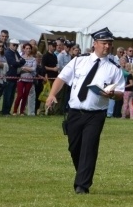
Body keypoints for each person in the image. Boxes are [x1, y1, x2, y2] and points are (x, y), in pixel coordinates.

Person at [45, 27, 126, 194]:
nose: (107, 46)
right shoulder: (78, 61)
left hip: (96, 114)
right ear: (94, 44)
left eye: (110, 44)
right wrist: (52, 95)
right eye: (104, 43)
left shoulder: (114, 68)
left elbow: (121, 93)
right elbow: (61, 78)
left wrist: (112, 94)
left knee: (89, 147)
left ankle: (82, 185)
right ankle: (82, 173)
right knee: (74, 147)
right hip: (75, 112)